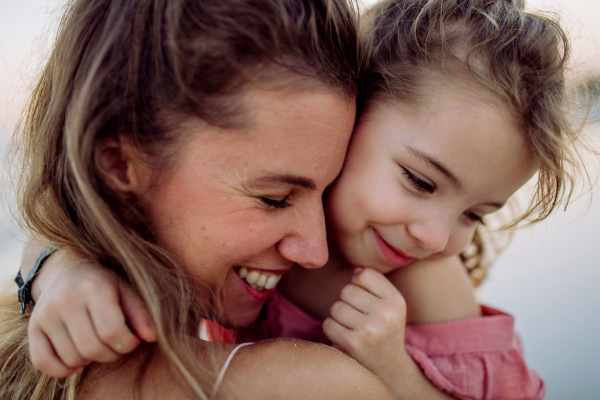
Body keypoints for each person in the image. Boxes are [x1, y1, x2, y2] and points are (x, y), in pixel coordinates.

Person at [13, 0, 591, 399]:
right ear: (356, 121)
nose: (436, 238)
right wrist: (58, 269)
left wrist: (394, 371)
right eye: (420, 182)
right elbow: (67, 213)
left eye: (474, 215)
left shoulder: (421, 281)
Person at [0, 0, 398, 399]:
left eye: (328, 191)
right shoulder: (318, 387)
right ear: (120, 164)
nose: (315, 251)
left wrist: (52, 268)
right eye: (274, 199)